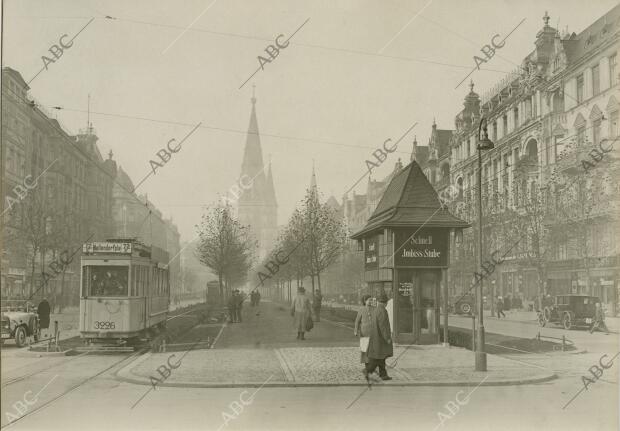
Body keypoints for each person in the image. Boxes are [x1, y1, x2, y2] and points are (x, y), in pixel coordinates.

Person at [365, 293, 393, 381]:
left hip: (376, 337)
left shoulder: (376, 309)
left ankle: (383, 374)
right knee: (379, 357)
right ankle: (369, 371)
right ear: (385, 302)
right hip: (380, 339)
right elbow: (383, 326)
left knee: (380, 357)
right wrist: (387, 338)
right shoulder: (382, 310)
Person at [354, 295, 373, 370]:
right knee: (365, 349)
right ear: (365, 301)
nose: (370, 301)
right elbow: (357, 321)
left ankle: (372, 364)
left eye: (371, 300)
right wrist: (356, 330)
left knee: (372, 349)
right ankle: (366, 364)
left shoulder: (374, 309)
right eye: (369, 300)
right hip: (364, 332)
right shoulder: (361, 309)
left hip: (373, 332)